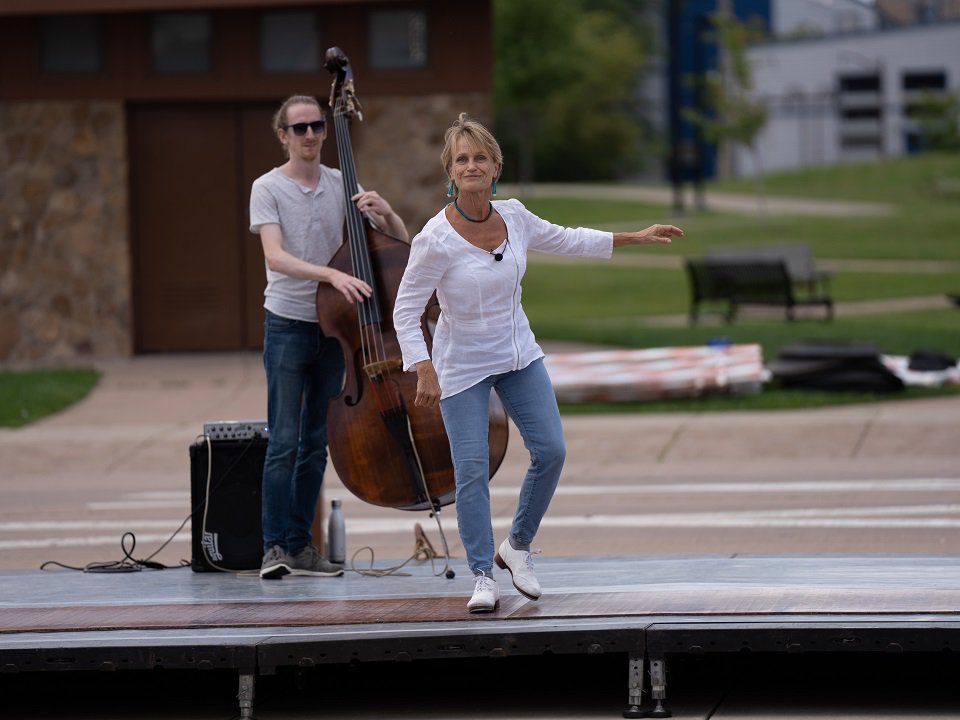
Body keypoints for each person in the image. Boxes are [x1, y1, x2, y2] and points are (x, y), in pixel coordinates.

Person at [393, 113, 683, 613]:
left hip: (517, 354)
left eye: (480, 157)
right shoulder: (434, 238)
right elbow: (405, 307)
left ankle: (517, 547)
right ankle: (483, 574)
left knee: (551, 450)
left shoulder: (516, 217)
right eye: (461, 159)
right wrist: (422, 366)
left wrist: (634, 237)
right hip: (461, 365)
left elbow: (569, 238)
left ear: (496, 166)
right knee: (471, 471)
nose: (471, 165)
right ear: (450, 172)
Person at [249, 94, 409, 579]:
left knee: (316, 442)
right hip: (289, 324)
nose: (312, 135)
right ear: (283, 136)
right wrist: (331, 275)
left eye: (318, 126)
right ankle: (273, 547)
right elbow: (275, 257)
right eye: (300, 128)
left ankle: (301, 547)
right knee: (284, 440)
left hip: (336, 330)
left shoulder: (343, 183)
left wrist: (388, 214)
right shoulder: (267, 187)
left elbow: (394, 242)